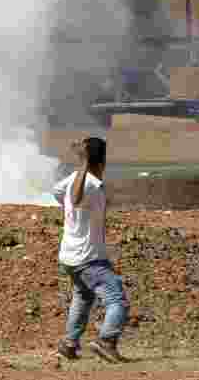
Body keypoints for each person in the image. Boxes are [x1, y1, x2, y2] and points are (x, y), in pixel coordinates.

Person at [52, 137, 130, 364]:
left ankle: (69, 344)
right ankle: (106, 341)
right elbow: (75, 199)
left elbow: (60, 193)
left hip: (70, 256)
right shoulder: (90, 184)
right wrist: (84, 164)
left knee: (83, 296)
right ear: (102, 161)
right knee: (117, 300)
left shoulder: (74, 179)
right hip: (89, 258)